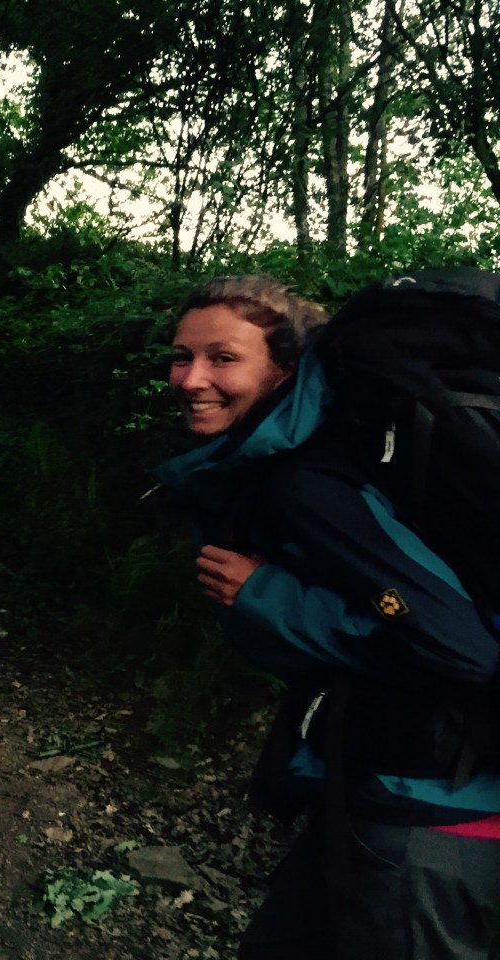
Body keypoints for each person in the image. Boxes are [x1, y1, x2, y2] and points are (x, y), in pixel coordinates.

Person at [153, 275, 500, 959]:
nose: (191, 379)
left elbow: (459, 646)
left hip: (427, 814)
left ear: (285, 368)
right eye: (181, 356)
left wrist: (267, 594)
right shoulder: (299, 458)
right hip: (368, 788)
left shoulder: (308, 482)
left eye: (224, 358)